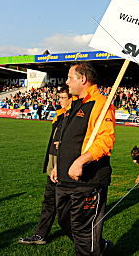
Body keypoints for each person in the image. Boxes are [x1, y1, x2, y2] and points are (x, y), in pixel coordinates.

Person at [51, 63, 115, 255]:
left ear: (83, 79)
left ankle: (93, 249)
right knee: (64, 220)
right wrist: (58, 166)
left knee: (83, 229)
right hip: (64, 178)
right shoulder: (75, 103)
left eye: (70, 77)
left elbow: (106, 140)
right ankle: (99, 246)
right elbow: (68, 139)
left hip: (88, 179)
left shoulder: (101, 104)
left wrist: (80, 162)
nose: (66, 81)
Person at [18, 87, 72, 245]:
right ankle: (41, 234)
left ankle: (86, 238)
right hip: (53, 159)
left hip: (65, 161)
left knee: (66, 203)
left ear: (71, 98)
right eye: (59, 97)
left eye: (63, 97)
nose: (59, 100)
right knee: (49, 199)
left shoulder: (75, 117)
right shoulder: (60, 115)